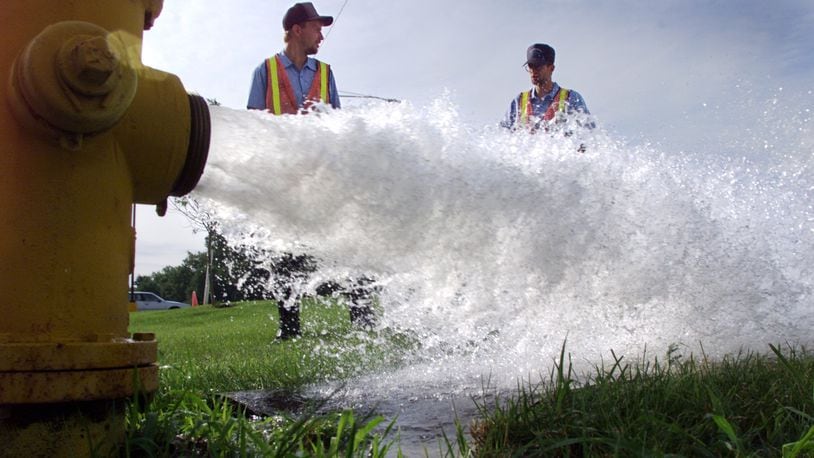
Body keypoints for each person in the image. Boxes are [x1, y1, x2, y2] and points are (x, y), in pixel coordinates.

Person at [247, 2, 340, 113]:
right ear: (297, 30)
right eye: (317, 30)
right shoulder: (264, 71)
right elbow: (252, 126)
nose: (321, 37)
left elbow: (338, 124)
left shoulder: (326, 74)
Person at [501, 43, 592, 134]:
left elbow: (588, 136)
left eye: (538, 66)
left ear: (551, 68)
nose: (533, 70)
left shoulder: (571, 98)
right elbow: (503, 136)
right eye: (530, 66)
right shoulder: (519, 101)